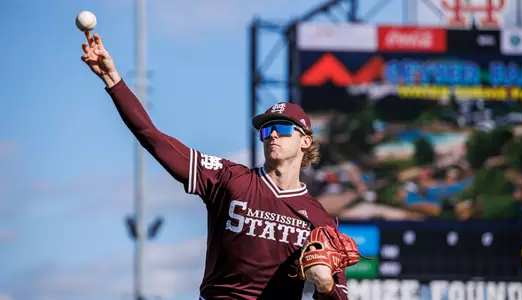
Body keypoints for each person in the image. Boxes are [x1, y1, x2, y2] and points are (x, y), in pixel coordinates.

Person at [80, 31, 349, 299]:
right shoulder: (230, 179)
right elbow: (153, 138)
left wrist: (325, 287)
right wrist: (112, 79)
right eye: (266, 131)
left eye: (281, 128)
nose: (273, 135)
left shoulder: (319, 220)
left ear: (305, 141)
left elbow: (338, 295)